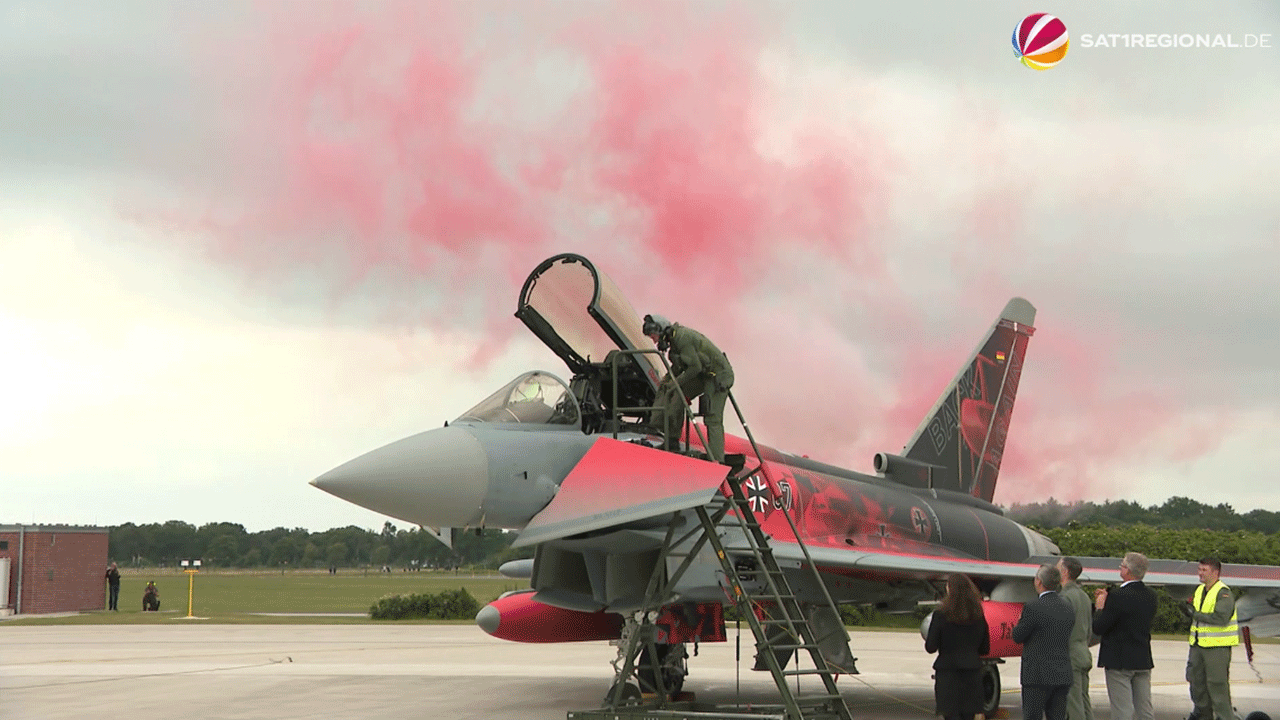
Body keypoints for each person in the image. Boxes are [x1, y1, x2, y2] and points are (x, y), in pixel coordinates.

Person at [642, 314, 735, 463]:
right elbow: (682, 368)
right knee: (677, 395)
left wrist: (676, 382)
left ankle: (717, 459)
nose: (654, 340)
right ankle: (672, 440)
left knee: (712, 418)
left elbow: (695, 367)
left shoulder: (682, 338)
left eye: (654, 336)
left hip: (717, 376)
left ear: (661, 330)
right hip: (703, 375)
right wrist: (668, 383)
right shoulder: (675, 343)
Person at [1092, 552, 1157, 720]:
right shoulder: (1151, 595)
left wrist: (1100, 607)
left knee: (1122, 710)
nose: (1120, 568)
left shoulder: (1118, 596)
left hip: (1119, 660)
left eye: (1121, 565)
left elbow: (1099, 627)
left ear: (1127, 571)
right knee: (1144, 709)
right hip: (1142, 658)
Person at [1012, 563, 1075, 720]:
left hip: (1036, 675)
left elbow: (1018, 636)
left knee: (1032, 716)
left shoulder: (1033, 607)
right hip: (1061, 672)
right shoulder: (1067, 606)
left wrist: (1020, 622)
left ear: (1039, 582)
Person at [925, 573, 991, 720]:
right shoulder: (978, 615)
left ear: (950, 590)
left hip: (948, 676)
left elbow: (931, 647)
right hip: (972, 676)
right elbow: (985, 648)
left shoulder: (940, 615)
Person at [1184, 556, 1238, 720]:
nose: (1200, 573)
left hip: (1217, 648)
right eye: (1199, 569)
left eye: (1204, 570)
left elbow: (1221, 618)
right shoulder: (1200, 590)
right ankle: (1203, 715)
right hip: (1198, 645)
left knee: (1217, 686)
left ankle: (1224, 717)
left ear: (1215, 572)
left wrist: (1195, 614)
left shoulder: (1223, 593)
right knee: (1196, 682)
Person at [1058, 557, 1094, 720]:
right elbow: (1088, 630)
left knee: (1073, 705)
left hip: (1070, 656)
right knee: (1084, 700)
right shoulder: (1084, 596)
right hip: (1083, 653)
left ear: (1065, 572)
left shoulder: (1065, 597)